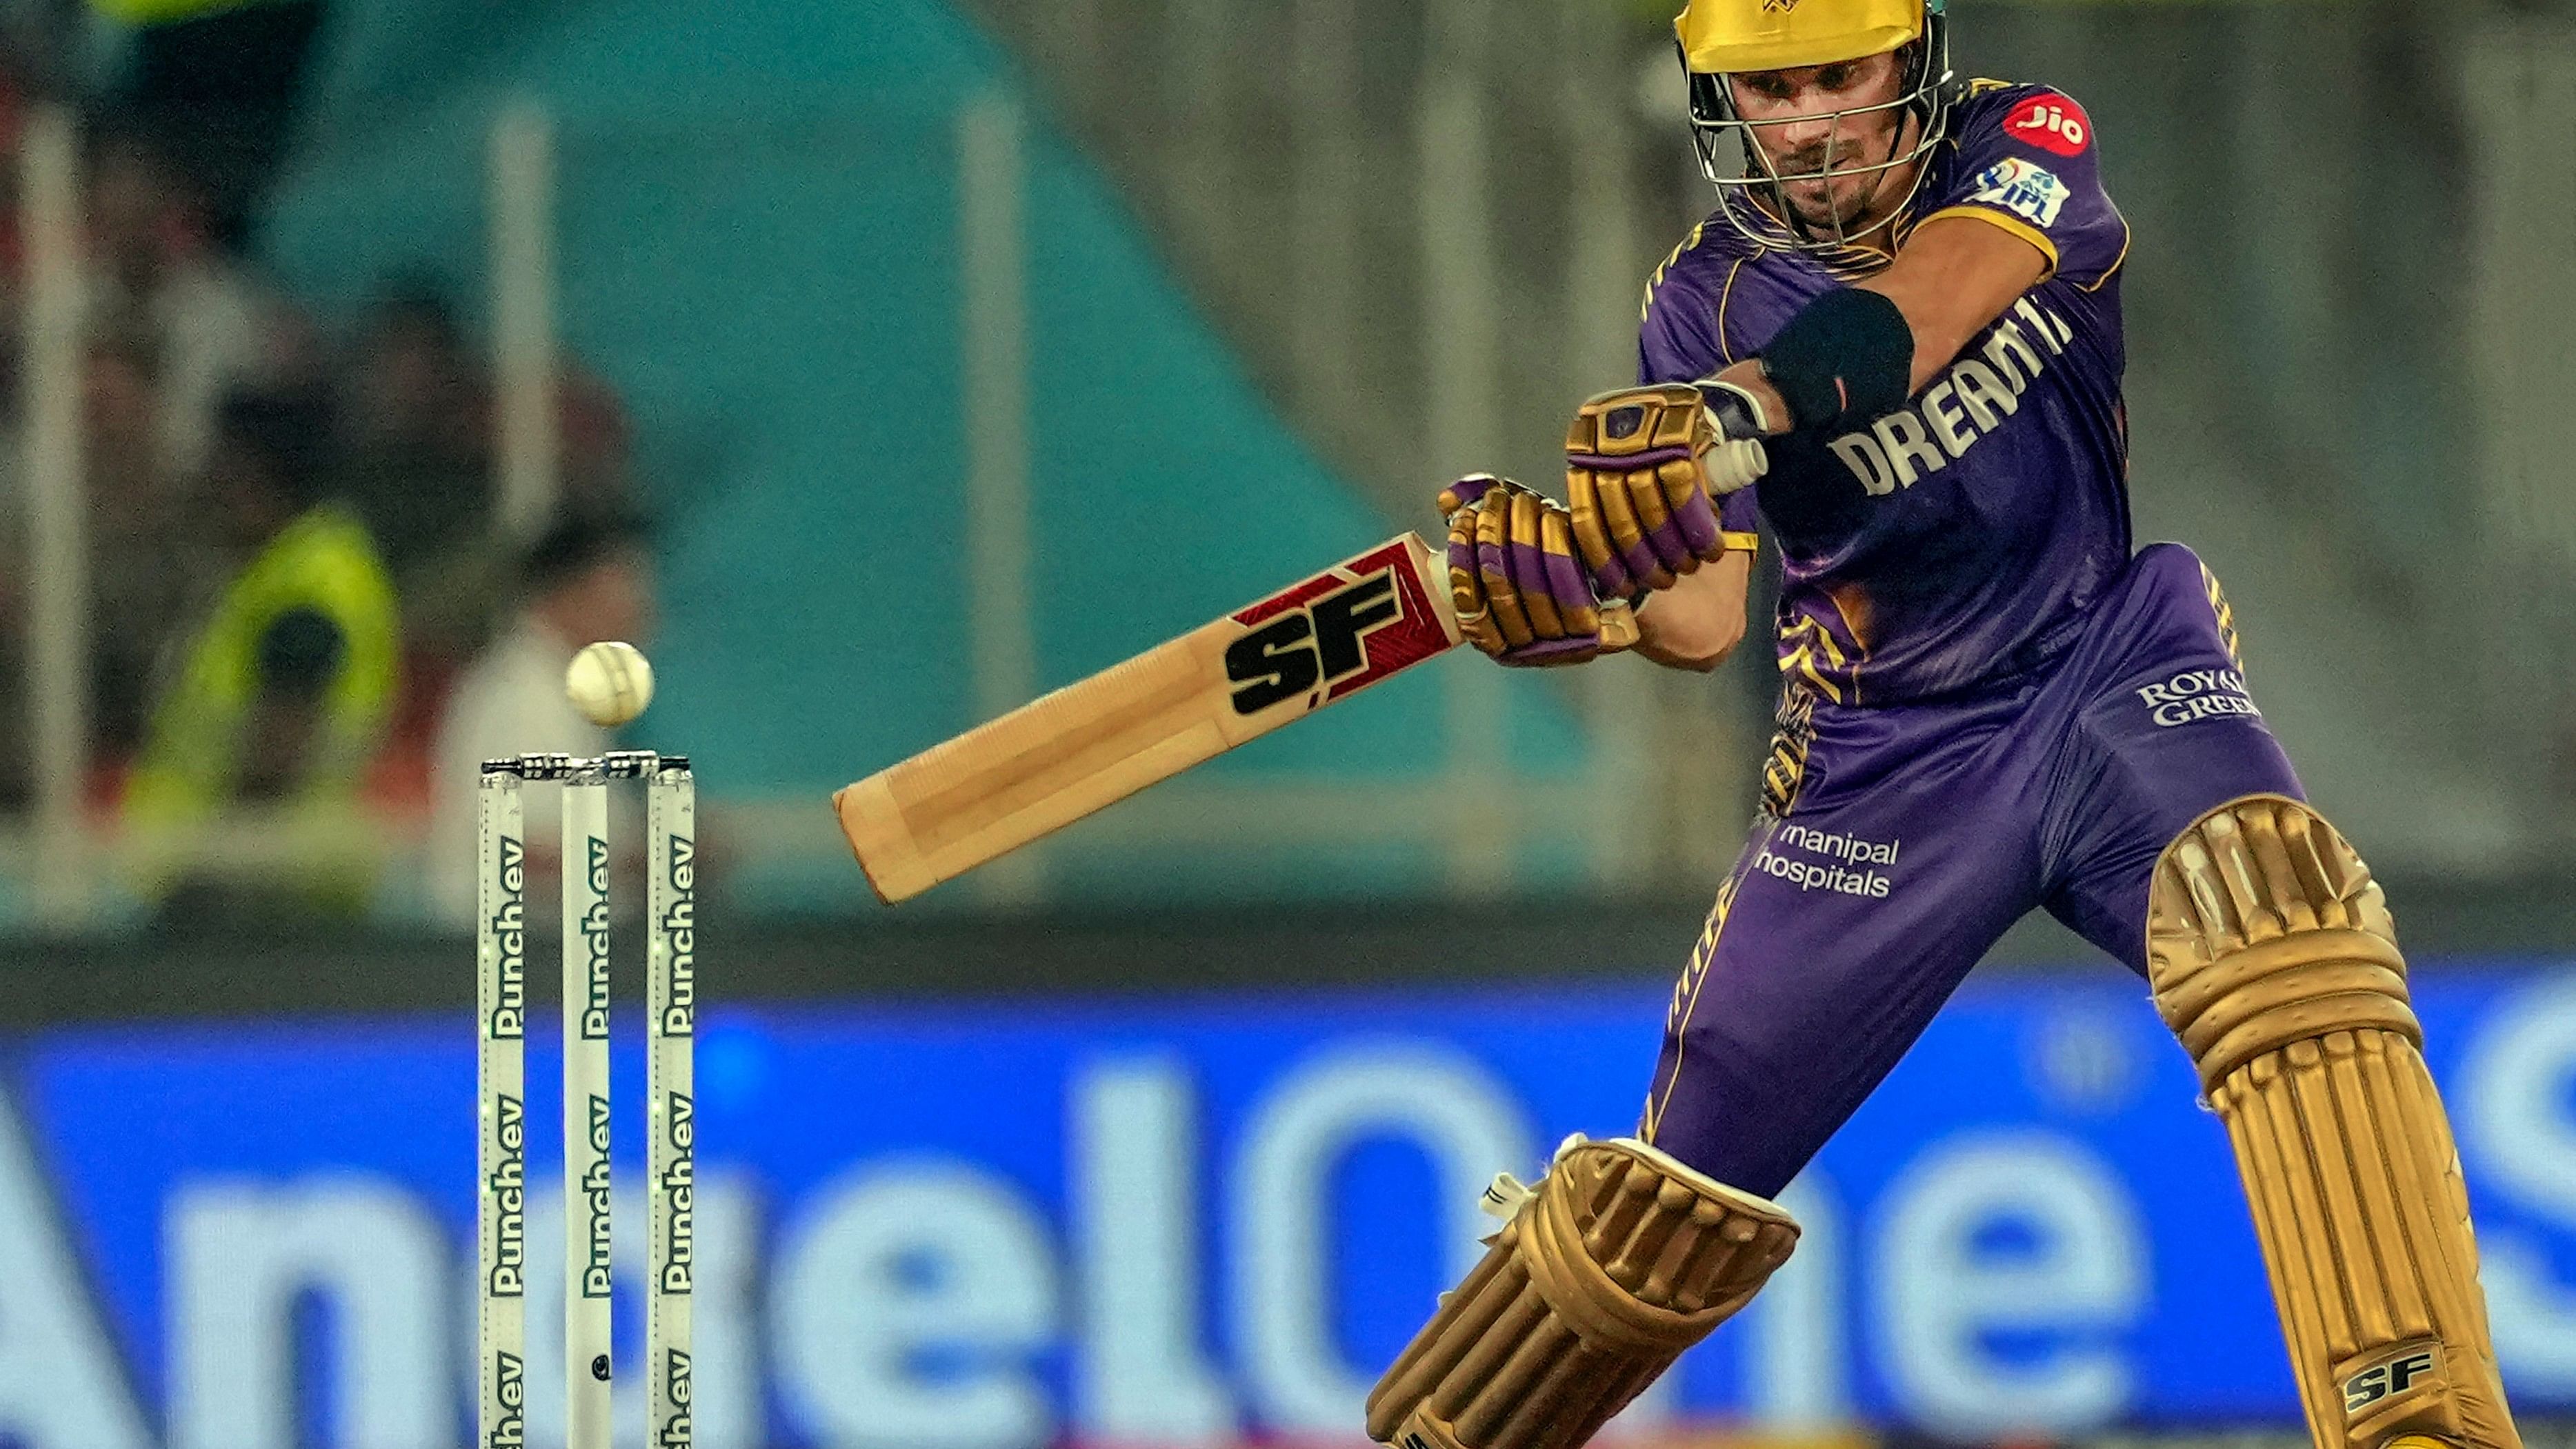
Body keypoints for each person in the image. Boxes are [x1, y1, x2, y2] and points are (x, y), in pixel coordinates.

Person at [1366, 5, 2521, 1449]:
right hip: (1885, 763)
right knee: (1652, 1211)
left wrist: (1737, 410)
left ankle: (2415, 1417)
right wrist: (1578, 593)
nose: (1805, 123)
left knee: (2279, 910)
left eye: (1836, 77)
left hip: (2101, 668)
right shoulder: (1699, 303)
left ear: (1907, 65)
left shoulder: (2023, 138)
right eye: (1767, 90)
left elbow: (1919, 312)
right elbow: (1705, 620)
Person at [123, 389, 399, 920]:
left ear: (250, 473)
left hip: (263, 884)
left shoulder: (308, 585)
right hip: (255, 867)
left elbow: (279, 747)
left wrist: (206, 880)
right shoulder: (292, 564)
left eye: (219, 465)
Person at [424, 508, 656, 929]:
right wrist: (659, 858)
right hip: (523, 966)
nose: (641, 609)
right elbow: (525, 852)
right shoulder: (524, 697)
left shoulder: (559, 690)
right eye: (625, 587)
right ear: (570, 593)